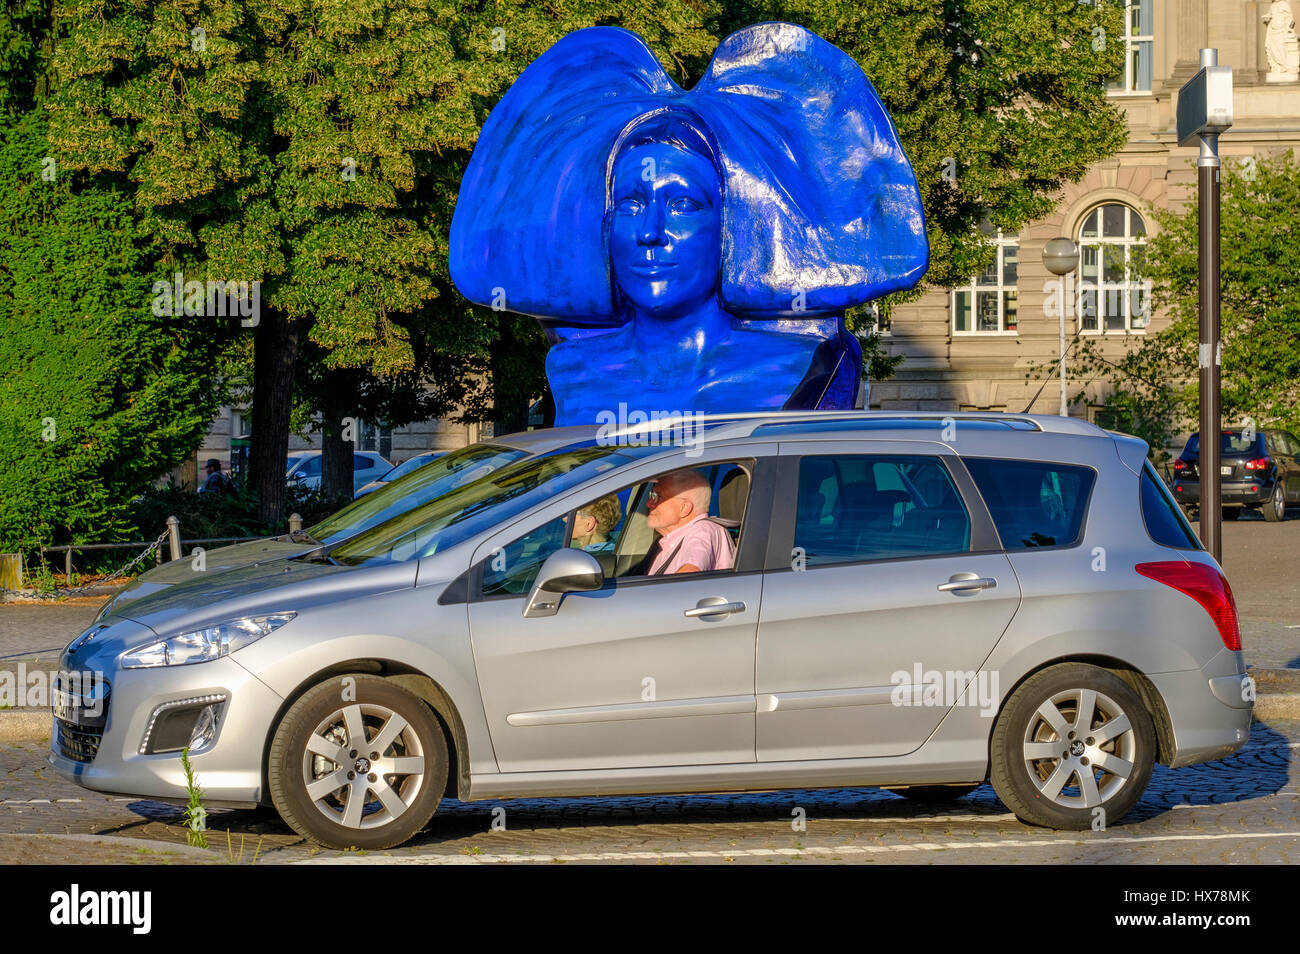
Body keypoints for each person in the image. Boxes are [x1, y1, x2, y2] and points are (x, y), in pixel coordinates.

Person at [646, 470, 734, 575]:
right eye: (652, 495)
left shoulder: (703, 530)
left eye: (657, 496)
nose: (649, 503)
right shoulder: (669, 542)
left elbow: (690, 573)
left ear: (684, 508)